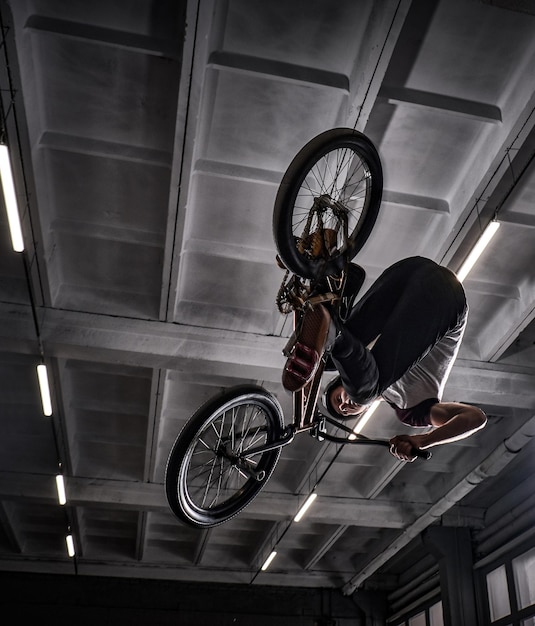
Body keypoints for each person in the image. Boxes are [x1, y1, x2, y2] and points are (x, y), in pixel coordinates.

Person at [282, 256, 487, 461]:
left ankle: (328, 281)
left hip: (409, 274)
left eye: (339, 400)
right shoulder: (412, 410)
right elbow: (475, 418)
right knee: (364, 388)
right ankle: (334, 322)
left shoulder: (366, 360)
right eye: (344, 411)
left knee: (325, 360)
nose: (345, 406)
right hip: (445, 300)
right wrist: (423, 441)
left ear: (344, 381)